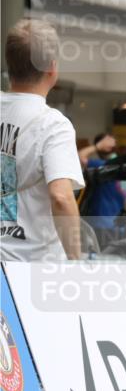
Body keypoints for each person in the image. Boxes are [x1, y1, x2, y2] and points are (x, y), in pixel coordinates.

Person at [1, 19, 83, 261]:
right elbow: (61, 197)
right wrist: (76, 261)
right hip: (32, 269)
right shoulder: (53, 124)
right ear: (52, 68)